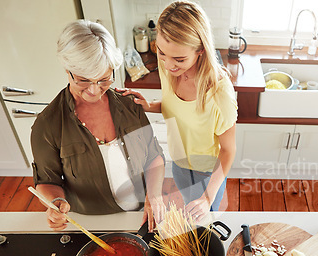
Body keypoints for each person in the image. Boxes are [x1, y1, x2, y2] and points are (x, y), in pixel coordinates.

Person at [31, 20, 165, 231]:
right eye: (83, 80)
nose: (94, 91)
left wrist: (154, 195)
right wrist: (56, 203)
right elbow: (48, 181)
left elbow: (153, 155)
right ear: (67, 69)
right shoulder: (47, 125)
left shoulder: (129, 104)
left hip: (140, 215)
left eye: (104, 79)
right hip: (89, 223)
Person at [117, 1, 237, 222]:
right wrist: (150, 106)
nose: (169, 65)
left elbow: (228, 151)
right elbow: (175, 107)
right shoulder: (167, 67)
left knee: (205, 221)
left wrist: (207, 199)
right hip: (179, 161)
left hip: (207, 172)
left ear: (201, 50)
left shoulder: (219, 94)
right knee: (189, 209)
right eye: (162, 53)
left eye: (179, 59)